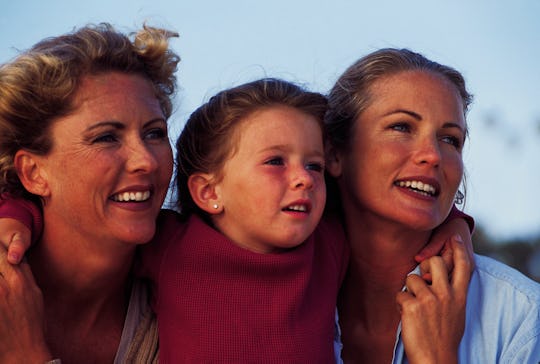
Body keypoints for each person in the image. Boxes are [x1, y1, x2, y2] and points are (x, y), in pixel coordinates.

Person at [325, 48, 540, 363]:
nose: (434, 155)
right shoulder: (272, 293)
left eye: (450, 139)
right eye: (401, 127)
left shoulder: (522, 318)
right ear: (334, 154)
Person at [0, 23, 180, 363]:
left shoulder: (191, 304)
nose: (146, 160)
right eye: (106, 137)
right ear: (34, 173)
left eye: (155, 133)